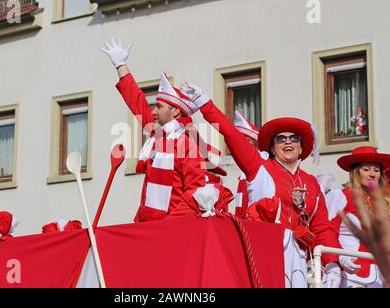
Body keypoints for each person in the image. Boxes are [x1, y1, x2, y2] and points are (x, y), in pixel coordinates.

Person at [178, 82, 342, 288]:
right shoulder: (259, 168)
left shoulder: (311, 183)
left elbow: (322, 229)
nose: (287, 142)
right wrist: (205, 104)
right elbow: (232, 134)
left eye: (294, 138)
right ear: (272, 148)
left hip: (301, 262)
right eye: (280, 139)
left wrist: (332, 264)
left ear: (302, 147)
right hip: (264, 256)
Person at [101, 38, 222, 222]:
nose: (153, 111)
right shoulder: (158, 134)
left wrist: (170, 225)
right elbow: (137, 103)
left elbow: (194, 191)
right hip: (147, 224)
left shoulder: (188, 143)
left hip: (172, 229)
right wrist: (121, 66)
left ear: (174, 111)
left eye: (158, 106)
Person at [326, 146, 390, 287]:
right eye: (366, 169)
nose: (372, 174)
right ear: (356, 172)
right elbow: (327, 232)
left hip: (381, 276)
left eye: (376, 170)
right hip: (351, 274)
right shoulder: (340, 195)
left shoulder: (384, 201)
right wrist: (338, 259)